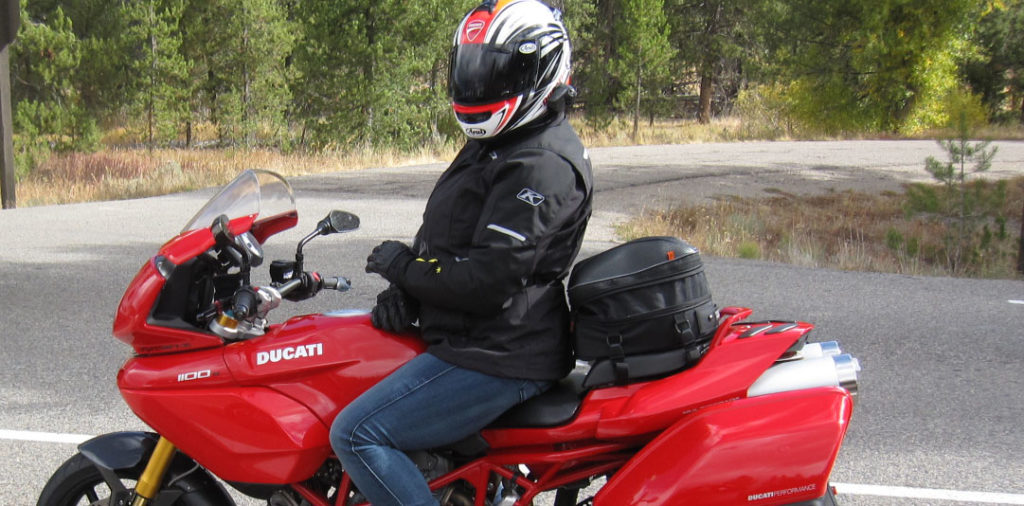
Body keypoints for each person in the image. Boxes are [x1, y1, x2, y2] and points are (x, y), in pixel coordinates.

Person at [329, 0, 593, 504]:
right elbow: (460, 241)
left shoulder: (541, 164)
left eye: (496, 72)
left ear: (540, 69)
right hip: (481, 339)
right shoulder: (506, 141)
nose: (479, 86)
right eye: (472, 71)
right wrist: (412, 298)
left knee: (357, 434)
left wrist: (404, 269)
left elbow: (487, 280)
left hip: (500, 354)